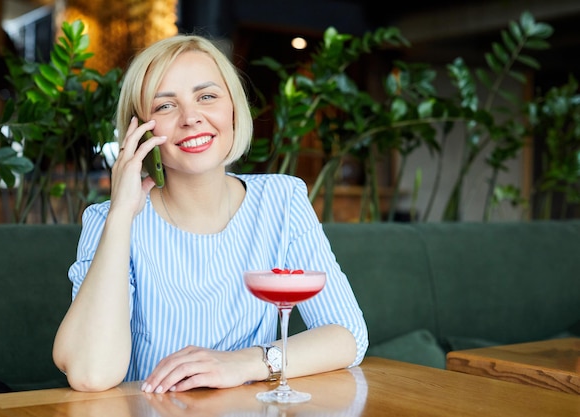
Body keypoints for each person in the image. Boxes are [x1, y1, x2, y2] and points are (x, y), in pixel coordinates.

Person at [52, 33, 368, 394]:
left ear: (233, 108)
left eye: (207, 97)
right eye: (165, 106)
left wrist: (242, 363)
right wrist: (122, 214)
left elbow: (348, 335)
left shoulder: (282, 200)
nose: (191, 118)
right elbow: (91, 374)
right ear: (139, 133)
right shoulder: (109, 221)